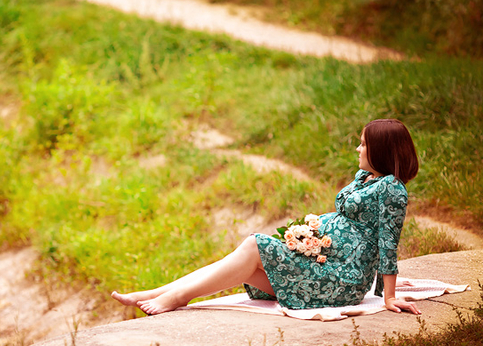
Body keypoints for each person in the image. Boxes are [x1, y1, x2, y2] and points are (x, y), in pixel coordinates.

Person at [112, 119, 422, 316]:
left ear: (380, 150)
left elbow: (387, 241)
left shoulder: (392, 189)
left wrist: (388, 295)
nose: (358, 148)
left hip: (339, 280)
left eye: (364, 144)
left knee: (254, 245)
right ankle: (161, 292)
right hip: (323, 265)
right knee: (242, 262)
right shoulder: (365, 177)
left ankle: (178, 297)